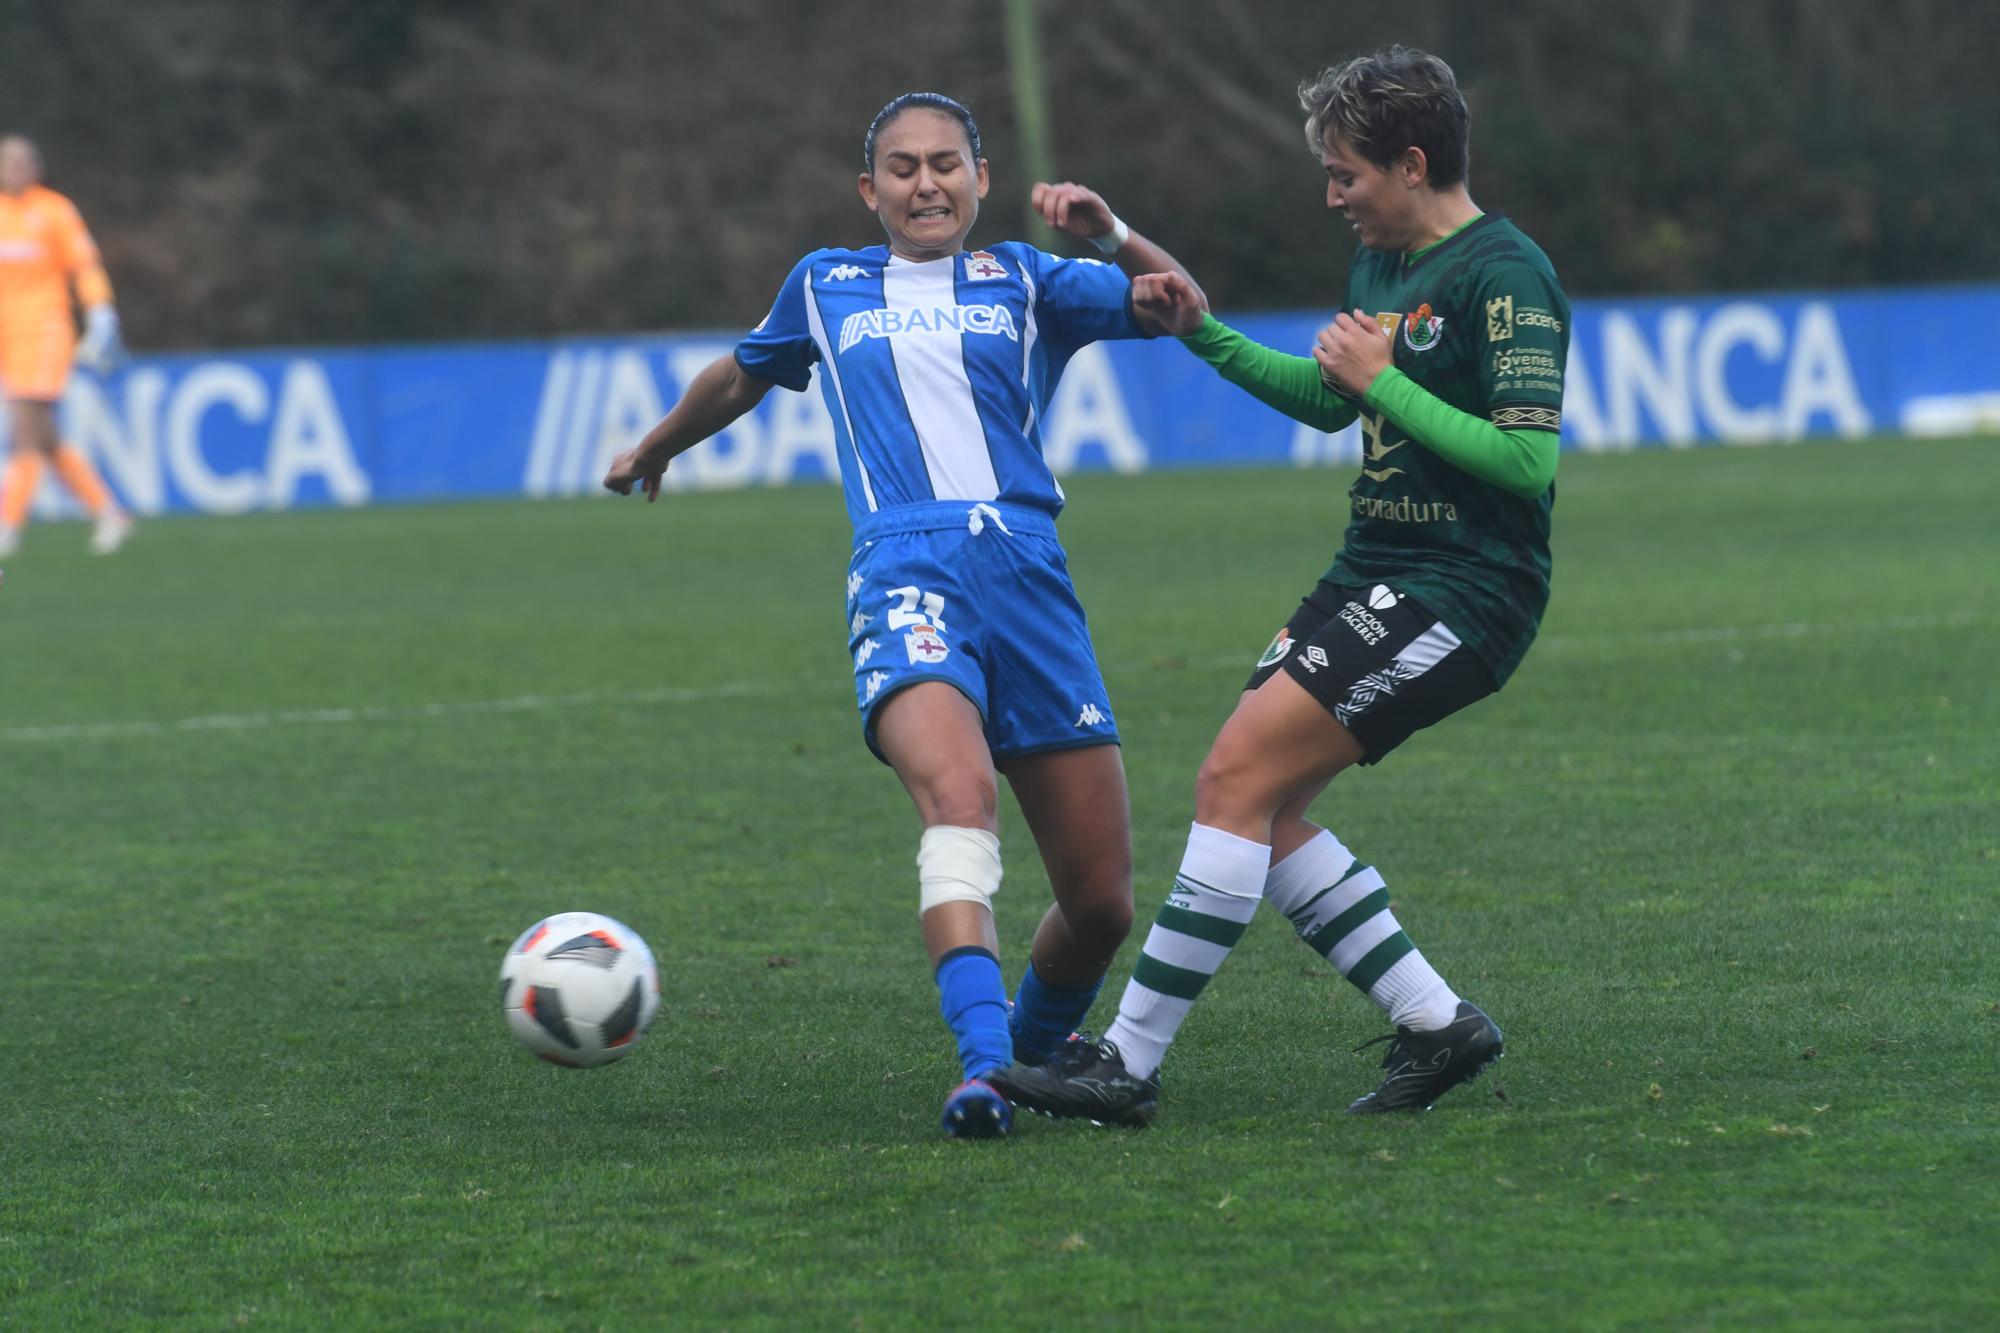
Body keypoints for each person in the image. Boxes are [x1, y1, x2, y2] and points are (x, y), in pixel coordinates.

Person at [602, 93, 1206, 1138]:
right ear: (867, 189)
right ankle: (980, 1070)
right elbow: (740, 378)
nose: (924, 184)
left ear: (978, 175)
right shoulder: (824, 283)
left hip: (1026, 577)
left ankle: (1024, 1053)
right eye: (900, 167)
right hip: (903, 569)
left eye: (944, 164)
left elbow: (1178, 305)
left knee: (1102, 898)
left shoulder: (1026, 277)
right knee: (958, 798)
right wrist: (657, 446)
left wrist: (1106, 233)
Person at [990, 45, 1570, 1124]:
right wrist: (1199, 333)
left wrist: (1384, 383)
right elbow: (1322, 400)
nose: (1332, 195)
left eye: (1345, 173)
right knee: (1261, 811)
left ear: (1409, 163)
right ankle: (1436, 1023)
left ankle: (1125, 1059)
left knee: (1231, 783)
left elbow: (1527, 463)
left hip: (1465, 591)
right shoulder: (1384, 267)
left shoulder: (1506, 276)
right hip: (1373, 570)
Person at [0, 134, 131, 557]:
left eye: (22, 161)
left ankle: (7, 525)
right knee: (46, 438)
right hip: (6, 335)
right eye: (7, 160)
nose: (14, 167)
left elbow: (84, 265)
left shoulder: (54, 210)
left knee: (25, 428)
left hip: (45, 329)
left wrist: (99, 312)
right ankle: (109, 513)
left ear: (37, 168)